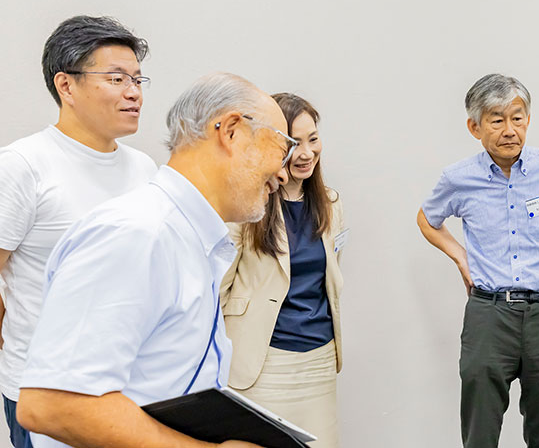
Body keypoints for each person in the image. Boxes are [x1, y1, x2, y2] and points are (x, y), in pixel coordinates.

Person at [16, 72, 292, 448]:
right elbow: (52, 404)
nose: (282, 172)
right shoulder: (138, 235)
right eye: (281, 149)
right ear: (232, 131)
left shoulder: (186, 237)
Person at [0, 15, 157, 448]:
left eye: (138, 79)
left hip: (129, 384)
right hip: (46, 393)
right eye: (116, 78)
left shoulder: (144, 168)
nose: (134, 92)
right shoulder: (22, 165)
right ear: (66, 86)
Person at [417, 74, 539, 448]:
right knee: (480, 432)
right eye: (497, 120)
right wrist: (460, 256)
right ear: (474, 127)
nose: (510, 130)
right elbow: (427, 220)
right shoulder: (459, 178)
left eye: (518, 117)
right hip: (488, 314)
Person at [221, 93, 345, 448]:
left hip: (319, 361)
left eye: (313, 139)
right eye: (294, 143)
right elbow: (218, 287)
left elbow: (329, 278)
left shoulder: (332, 204)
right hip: (261, 363)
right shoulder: (243, 205)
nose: (306, 153)